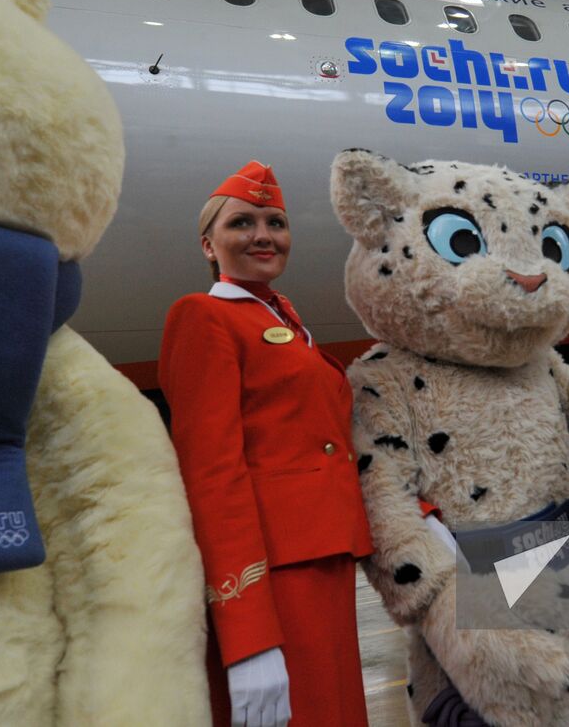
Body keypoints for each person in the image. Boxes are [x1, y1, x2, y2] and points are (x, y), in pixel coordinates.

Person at [159, 162, 373, 727]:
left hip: (323, 563)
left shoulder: (280, 319)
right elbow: (211, 475)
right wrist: (247, 631)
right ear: (209, 244)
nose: (262, 234)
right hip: (273, 575)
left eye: (275, 222)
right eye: (242, 223)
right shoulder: (203, 317)